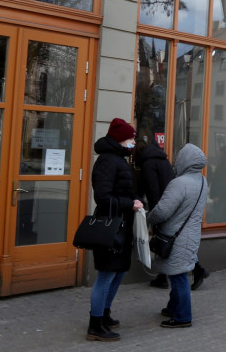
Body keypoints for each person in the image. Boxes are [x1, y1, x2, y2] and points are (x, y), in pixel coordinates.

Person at [87, 118, 144, 341]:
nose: (133, 142)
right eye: (130, 138)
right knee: (106, 274)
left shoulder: (119, 159)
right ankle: (95, 324)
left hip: (121, 225)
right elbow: (102, 197)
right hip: (110, 225)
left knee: (118, 272)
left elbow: (124, 190)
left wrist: (135, 200)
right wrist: (129, 204)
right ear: (120, 139)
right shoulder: (108, 161)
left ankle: (105, 314)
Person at [137, 140, 211, 291]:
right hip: (183, 217)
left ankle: (181, 311)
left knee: (173, 260)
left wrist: (151, 216)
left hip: (168, 213)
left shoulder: (151, 166)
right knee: (178, 254)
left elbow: (154, 193)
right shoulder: (200, 180)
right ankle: (194, 273)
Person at [148, 144, 208, 328]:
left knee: (178, 276)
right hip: (190, 235)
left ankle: (183, 316)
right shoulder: (202, 181)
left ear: (184, 161)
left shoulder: (179, 183)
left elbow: (162, 211)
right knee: (176, 273)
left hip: (176, 237)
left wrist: (148, 218)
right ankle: (173, 307)